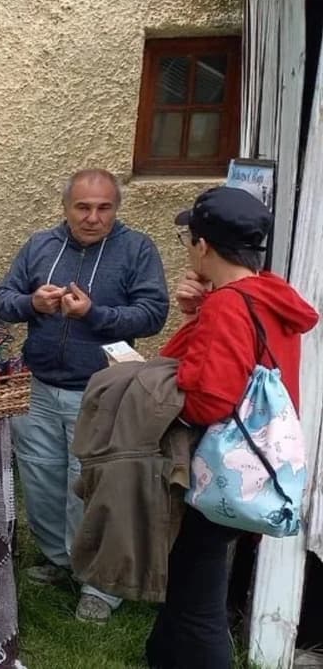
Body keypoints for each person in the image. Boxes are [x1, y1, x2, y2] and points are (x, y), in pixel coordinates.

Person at [145, 187, 318, 668]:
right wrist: (198, 315)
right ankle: (160, 656)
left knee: (200, 595)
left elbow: (211, 399)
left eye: (188, 238)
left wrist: (174, 382)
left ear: (202, 245)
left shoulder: (229, 304)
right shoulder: (268, 293)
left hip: (224, 464)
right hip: (257, 463)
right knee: (189, 571)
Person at [0, 168, 170, 622]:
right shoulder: (41, 245)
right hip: (38, 385)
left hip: (101, 392)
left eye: (104, 208)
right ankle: (60, 560)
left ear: (116, 209)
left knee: (92, 488)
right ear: (66, 208)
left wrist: (95, 314)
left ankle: (100, 586)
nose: (93, 217)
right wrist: (32, 303)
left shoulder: (136, 249)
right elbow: (1, 299)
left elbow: (152, 314)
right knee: (41, 481)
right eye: (83, 207)